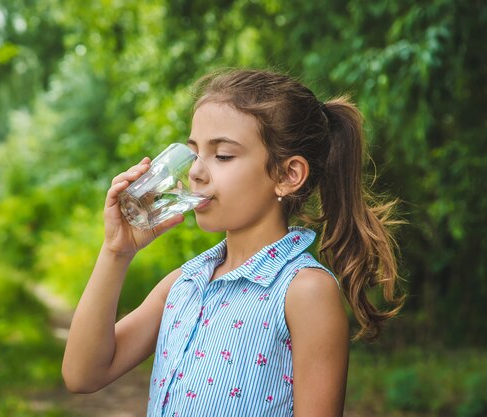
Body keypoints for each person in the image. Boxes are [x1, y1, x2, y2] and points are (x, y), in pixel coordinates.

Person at [62, 68, 404, 416]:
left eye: (222, 155)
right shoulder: (184, 284)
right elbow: (83, 374)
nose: (195, 172)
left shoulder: (303, 291)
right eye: (193, 152)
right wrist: (116, 252)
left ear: (288, 175)